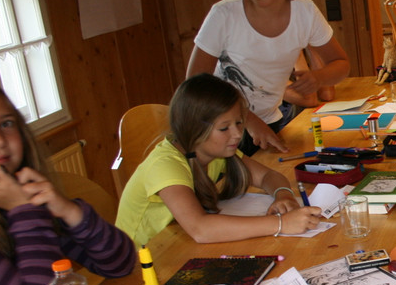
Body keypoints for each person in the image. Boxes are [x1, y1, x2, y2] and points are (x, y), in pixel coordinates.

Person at [0, 82, 135, 285]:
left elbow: (121, 263)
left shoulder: (21, 205)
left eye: (6, 124)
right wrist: (24, 212)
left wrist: (68, 211)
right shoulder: (23, 211)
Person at [187, 0, 350, 156]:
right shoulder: (224, 14)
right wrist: (247, 119)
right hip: (218, 128)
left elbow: (341, 64)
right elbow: (194, 83)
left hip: (267, 121)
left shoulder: (304, 12)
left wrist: (318, 78)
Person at [116, 74, 323, 247]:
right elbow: (200, 229)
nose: (237, 134)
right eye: (224, 128)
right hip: (140, 262)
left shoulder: (215, 152)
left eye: (239, 123)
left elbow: (268, 175)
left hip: (177, 246)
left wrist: (284, 196)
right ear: (195, 129)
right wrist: (280, 224)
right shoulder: (165, 166)